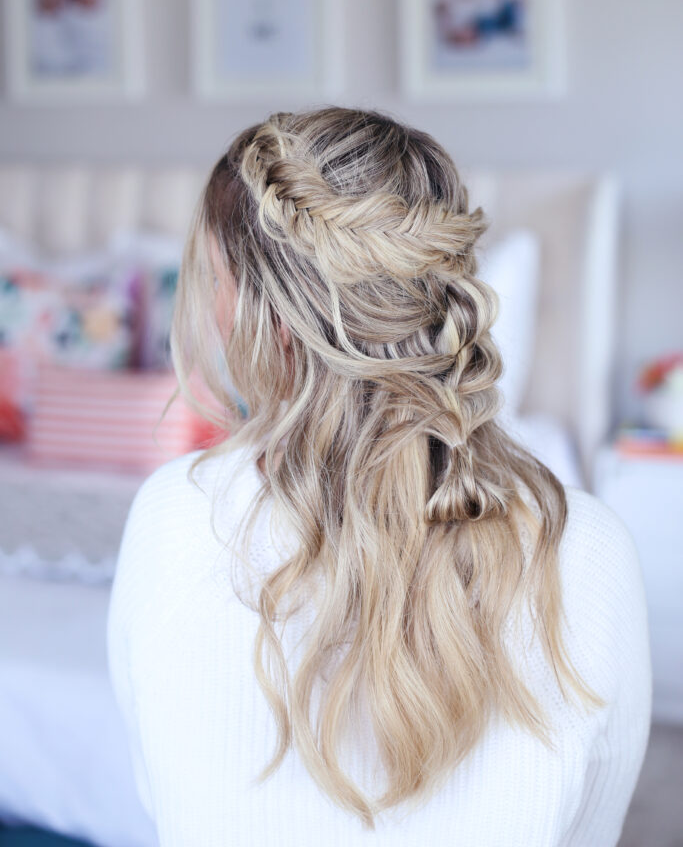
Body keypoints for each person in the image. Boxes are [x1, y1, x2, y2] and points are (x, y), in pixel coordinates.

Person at [108, 108, 651, 847]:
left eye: (212, 277)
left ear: (264, 318)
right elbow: (589, 828)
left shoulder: (173, 517)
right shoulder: (585, 547)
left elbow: (160, 797)